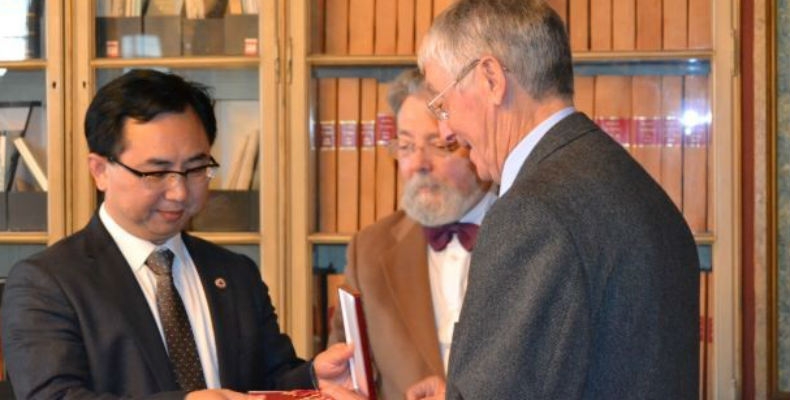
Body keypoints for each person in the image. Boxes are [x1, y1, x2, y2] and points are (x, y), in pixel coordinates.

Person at [0, 69, 355, 400]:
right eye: (156, 173)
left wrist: (311, 379)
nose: (179, 192)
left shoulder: (235, 273)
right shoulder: (47, 284)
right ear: (100, 170)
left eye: (196, 169)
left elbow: (268, 381)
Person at [408, 0, 700, 399]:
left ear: (491, 78)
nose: (445, 134)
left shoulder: (531, 214)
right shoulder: (634, 186)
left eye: (442, 105)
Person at [327, 69, 494, 400]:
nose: (418, 163)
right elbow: (344, 377)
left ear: (477, 144)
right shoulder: (369, 251)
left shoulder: (532, 237)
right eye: (405, 146)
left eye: (439, 145)